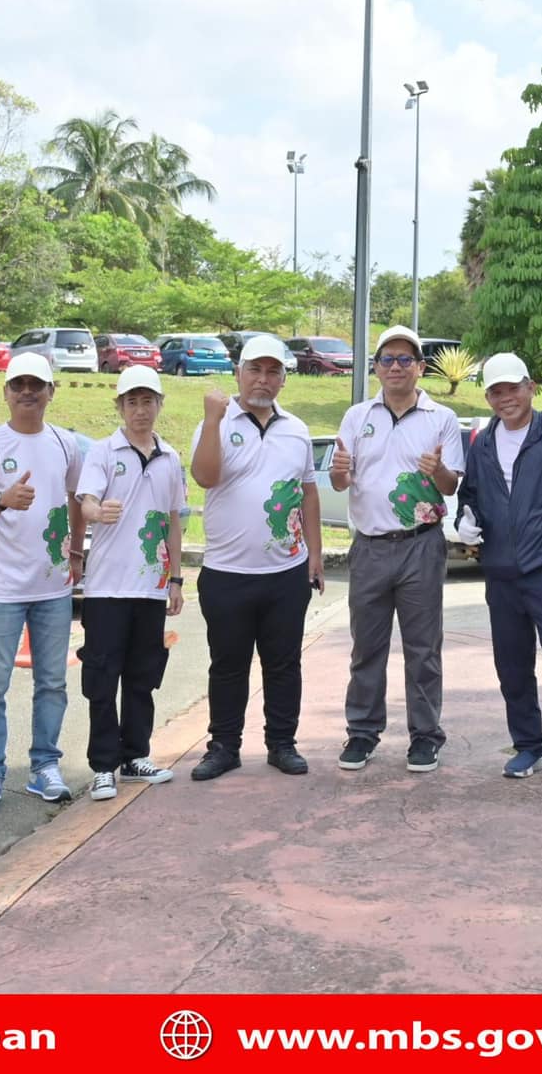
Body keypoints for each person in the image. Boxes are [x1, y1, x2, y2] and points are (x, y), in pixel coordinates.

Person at [455, 353, 542, 787]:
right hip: (501, 573)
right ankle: (529, 747)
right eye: (496, 391)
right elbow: (472, 494)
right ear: (488, 396)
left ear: (531, 387)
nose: (506, 398)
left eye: (513, 388)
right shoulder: (482, 442)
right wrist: (464, 518)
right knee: (512, 666)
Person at [329, 325, 465, 773]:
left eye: (405, 360)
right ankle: (363, 733)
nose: (395, 367)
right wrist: (338, 473)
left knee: (423, 648)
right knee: (366, 647)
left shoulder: (440, 418)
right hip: (369, 546)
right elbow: (340, 481)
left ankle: (425, 737)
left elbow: (449, 486)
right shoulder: (356, 416)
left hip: (420, 546)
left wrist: (439, 470)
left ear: (421, 368)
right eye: (387, 359)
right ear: (376, 367)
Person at [188, 334, 322, 782]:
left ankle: (282, 743)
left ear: (284, 378)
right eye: (254, 370)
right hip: (227, 572)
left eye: (273, 372)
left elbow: (307, 492)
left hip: (285, 571)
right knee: (228, 664)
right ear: (238, 373)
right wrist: (211, 420)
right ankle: (224, 745)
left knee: (284, 663)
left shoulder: (297, 430)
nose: (263, 380)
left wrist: (315, 555)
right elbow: (205, 477)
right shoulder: (217, 422)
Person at [0, 351, 86, 812]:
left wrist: (75, 550)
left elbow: (76, 497)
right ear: (6, 392)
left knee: (52, 684)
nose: (28, 392)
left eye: (37, 385)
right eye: (19, 385)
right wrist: (4, 500)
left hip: (52, 587)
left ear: (51, 392)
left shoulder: (66, 443)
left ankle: (44, 767)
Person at [74, 366, 188, 801]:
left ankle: (136, 755)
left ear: (160, 404)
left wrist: (176, 578)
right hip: (106, 588)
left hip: (151, 588)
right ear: (120, 407)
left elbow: (173, 522)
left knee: (143, 676)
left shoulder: (170, 458)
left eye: (148, 401)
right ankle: (103, 765)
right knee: (102, 678)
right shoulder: (104, 452)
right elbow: (87, 501)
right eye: (132, 402)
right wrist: (95, 511)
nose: (140, 410)